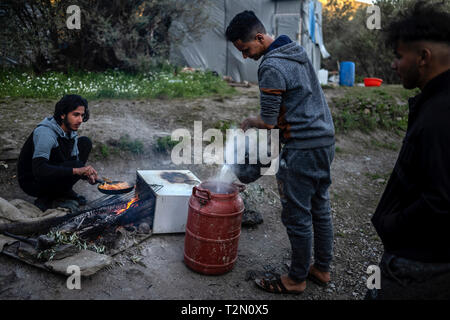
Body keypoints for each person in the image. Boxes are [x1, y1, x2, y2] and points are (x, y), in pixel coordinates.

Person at [226, 11, 335, 294]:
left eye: (246, 50)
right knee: (319, 206)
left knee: (297, 215)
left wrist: (251, 122)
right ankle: (322, 268)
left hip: (302, 146)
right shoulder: (294, 50)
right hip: (324, 140)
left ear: (260, 38)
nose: (246, 58)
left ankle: (296, 279)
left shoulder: (271, 66)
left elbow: (270, 122)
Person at [366, 1, 450, 300]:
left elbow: (440, 200)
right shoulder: (433, 101)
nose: (393, 65)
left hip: (419, 263)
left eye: (399, 57)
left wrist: (392, 225)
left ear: (423, 57)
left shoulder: (440, 114)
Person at [17, 94, 98, 212]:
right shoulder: (46, 133)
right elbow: (39, 169)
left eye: (82, 115)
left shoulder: (71, 130)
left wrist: (87, 175)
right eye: (76, 115)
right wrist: (77, 170)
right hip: (33, 181)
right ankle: (46, 198)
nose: (80, 120)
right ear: (62, 114)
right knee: (75, 167)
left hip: (53, 169)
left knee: (85, 143)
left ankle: (64, 191)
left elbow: (76, 162)